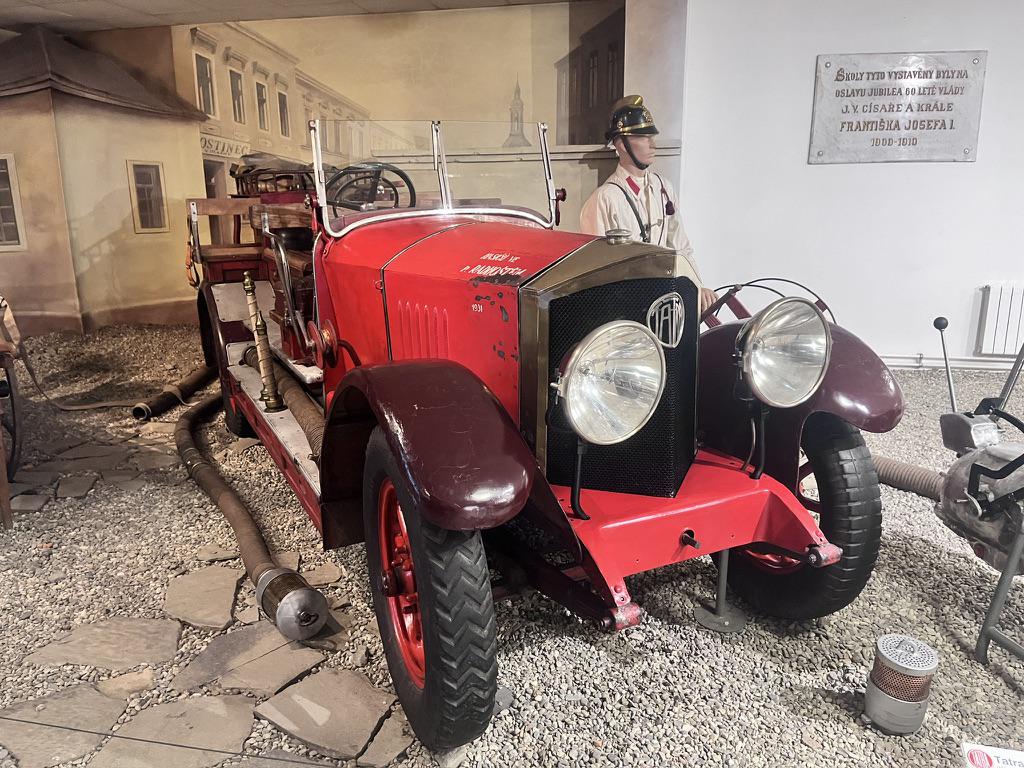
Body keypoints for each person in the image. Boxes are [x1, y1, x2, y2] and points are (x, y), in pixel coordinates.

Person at [580, 95, 717, 313]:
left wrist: (696, 287)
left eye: (651, 136)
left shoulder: (663, 188)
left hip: (665, 301)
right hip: (627, 308)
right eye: (644, 137)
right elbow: (597, 271)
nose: (653, 144)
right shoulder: (605, 199)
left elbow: (680, 246)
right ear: (621, 144)